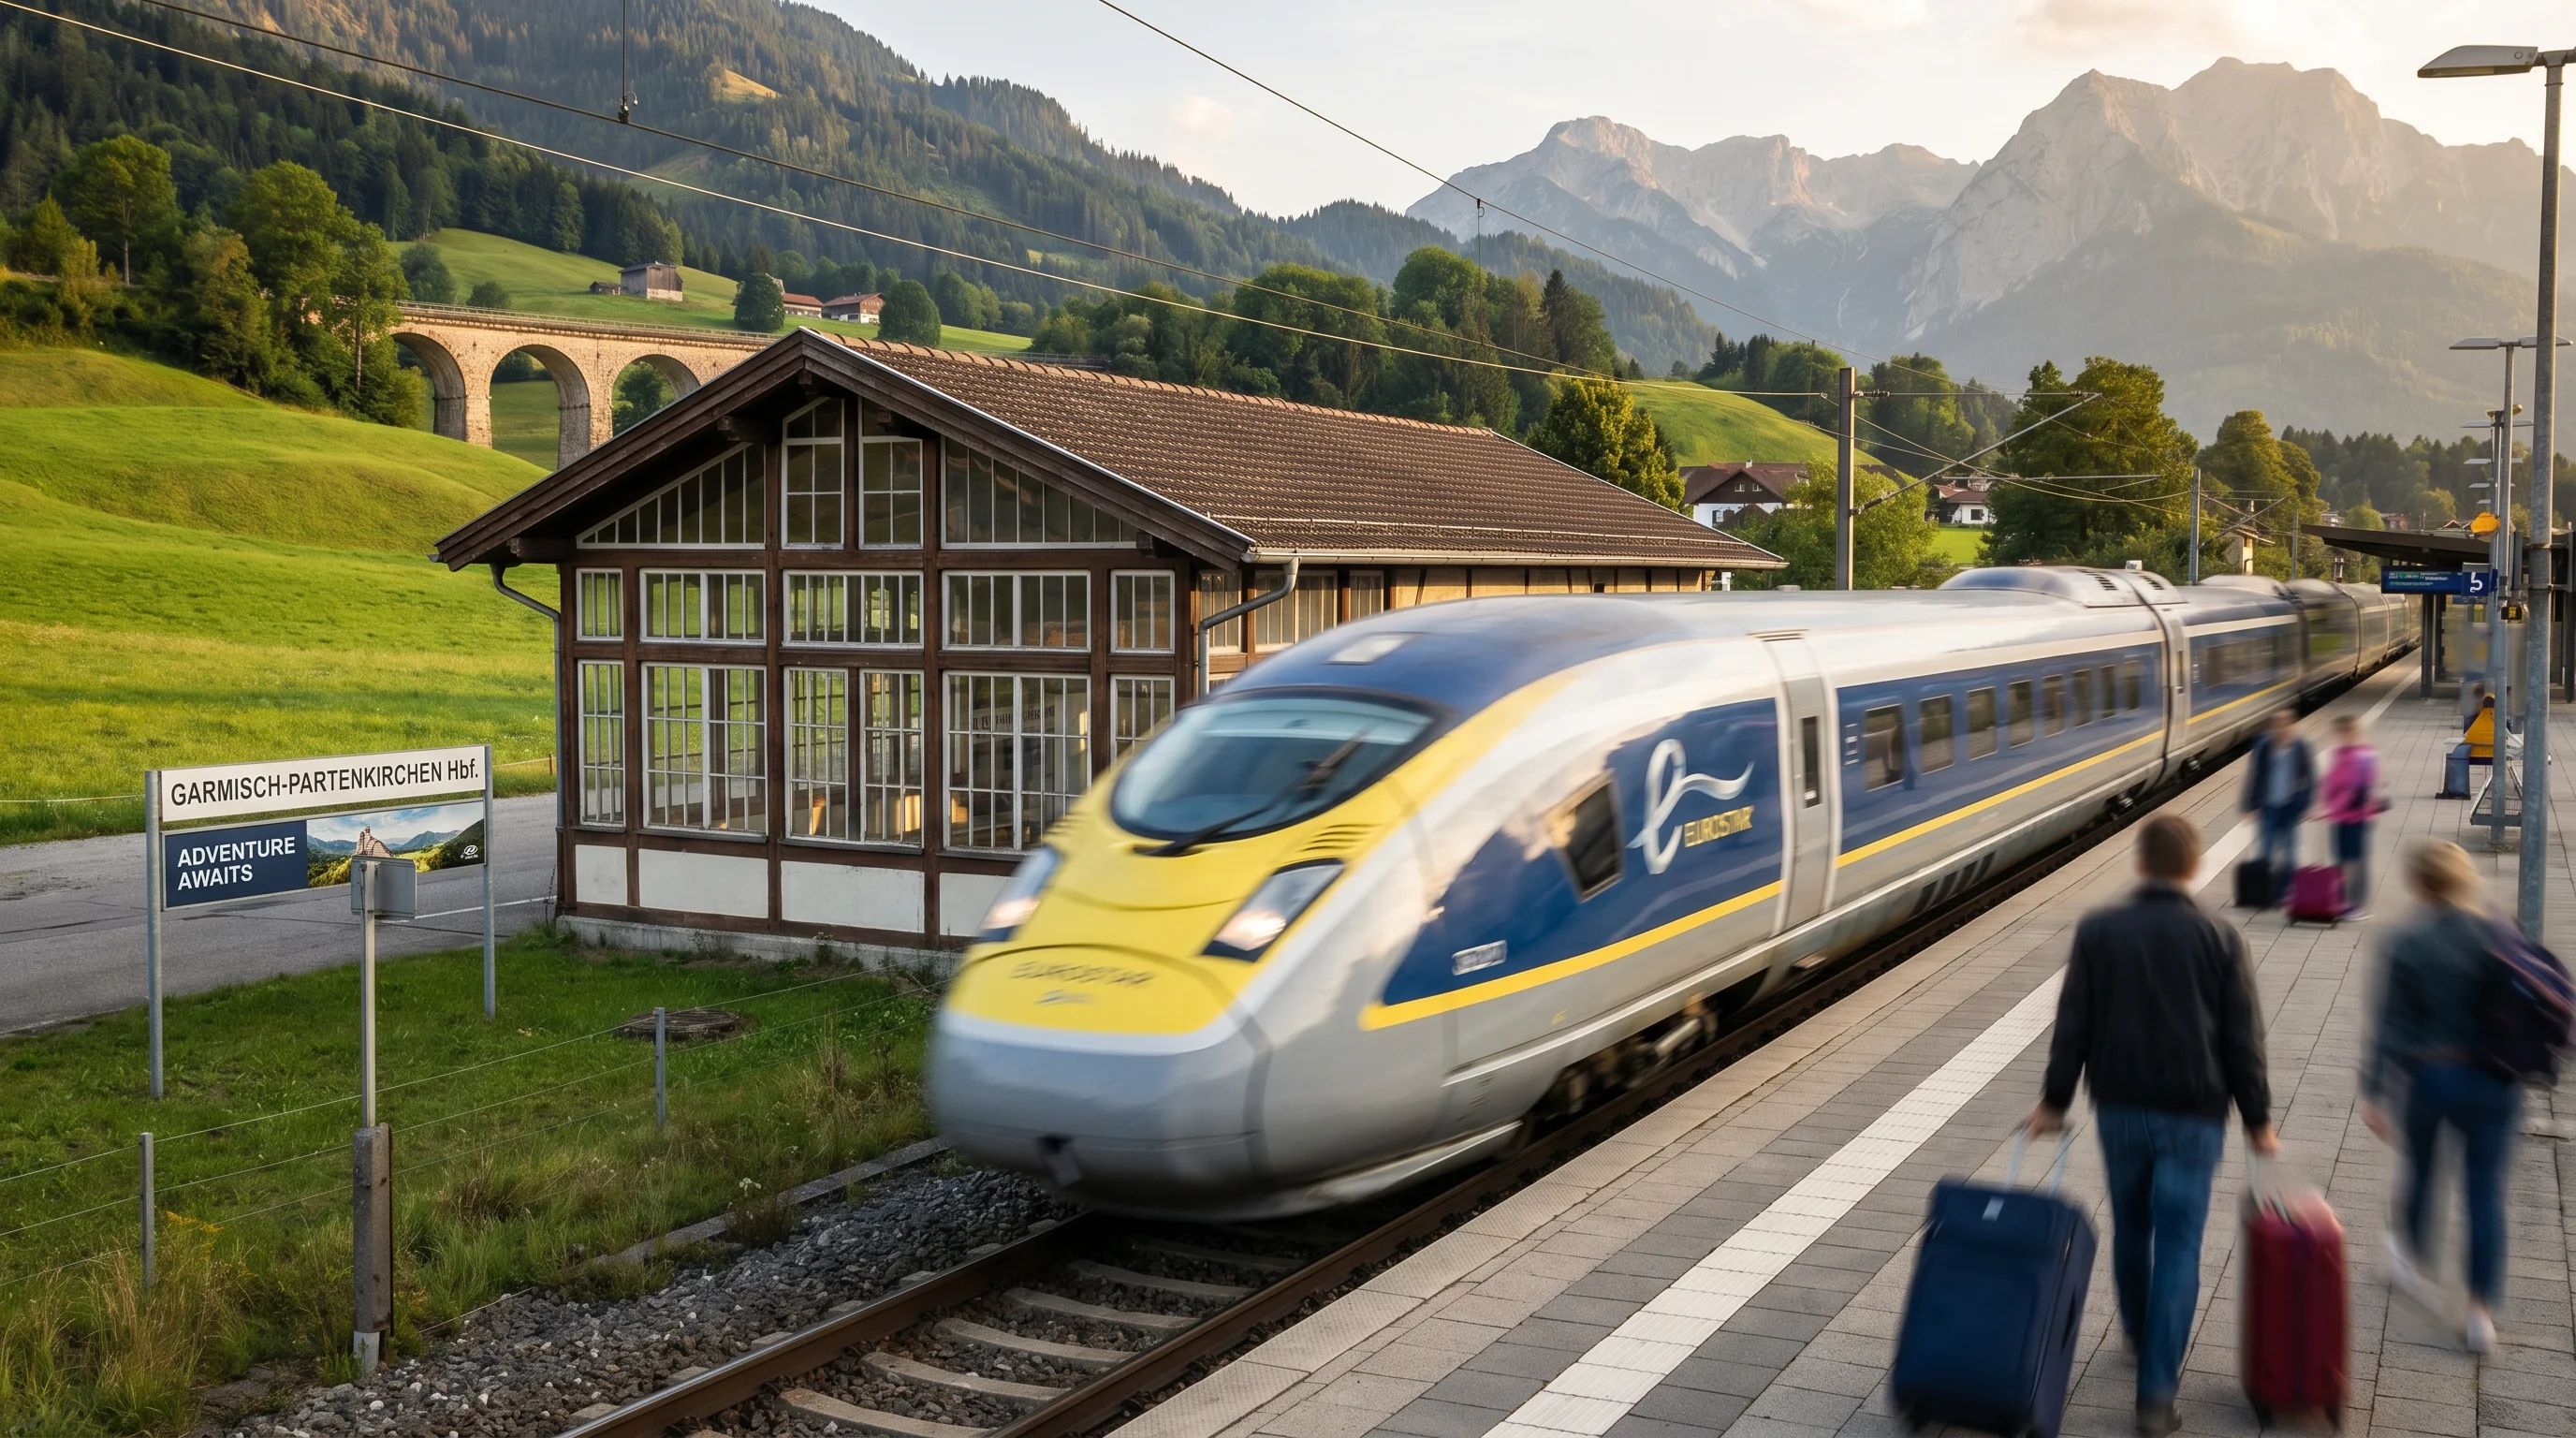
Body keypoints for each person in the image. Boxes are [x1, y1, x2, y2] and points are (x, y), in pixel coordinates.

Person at [2029, 812, 2276, 1437]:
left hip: (2119, 1109)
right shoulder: (2221, 938)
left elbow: (2073, 1025)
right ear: (2194, 868)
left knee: (2131, 1226)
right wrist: (2258, 1120)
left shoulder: (2100, 931)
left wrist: (2055, 1103)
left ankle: (2136, 1332)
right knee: (2181, 1246)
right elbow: (2243, 1040)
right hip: (2194, 1116)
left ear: (2140, 863)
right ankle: (2156, 1394)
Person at [2361, 841, 2517, 1355]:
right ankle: (2479, 1314)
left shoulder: (2406, 940)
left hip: (2432, 1079)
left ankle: (2410, 1260)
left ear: (2420, 884)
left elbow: (2389, 1023)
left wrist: (2376, 1089)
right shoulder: (2499, 932)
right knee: (2484, 1194)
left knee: (2423, 1172)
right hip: (2494, 1083)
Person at [2242, 707, 2315, 897]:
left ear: (2292, 726)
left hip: (2291, 806)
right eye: (2278, 724)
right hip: (2268, 806)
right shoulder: (2265, 745)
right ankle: (2263, 889)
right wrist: (2251, 805)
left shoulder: (2300, 746)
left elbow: (2310, 778)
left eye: (2285, 724)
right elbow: (2254, 776)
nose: (2281, 728)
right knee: (2265, 850)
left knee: (2289, 851)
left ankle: (2287, 889)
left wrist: (2306, 804)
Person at [2319, 715, 2383, 918]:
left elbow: (2354, 790)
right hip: (2338, 818)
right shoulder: (2339, 753)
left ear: (2355, 732)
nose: (2342, 736)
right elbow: (2330, 782)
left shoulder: (2363, 756)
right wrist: (2326, 805)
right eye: (2340, 732)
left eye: (2347, 731)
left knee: (2355, 861)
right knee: (2340, 860)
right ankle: (2341, 901)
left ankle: (2357, 905)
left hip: (2357, 817)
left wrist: (2330, 808)